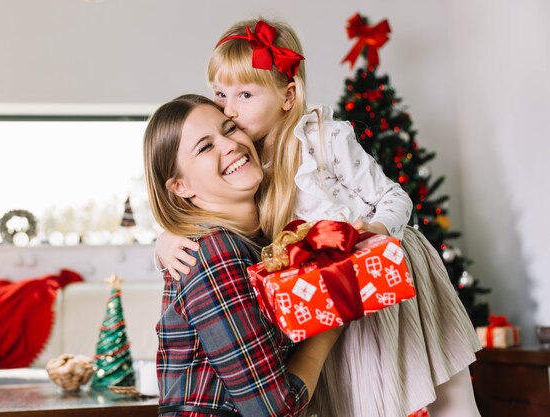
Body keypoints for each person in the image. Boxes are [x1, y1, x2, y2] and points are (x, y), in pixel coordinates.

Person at [155, 19, 482, 417]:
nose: (230, 111)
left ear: (288, 96)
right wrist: (167, 240)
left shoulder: (322, 139)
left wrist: (376, 231)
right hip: (330, 299)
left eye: (244, 95)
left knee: (439, 392)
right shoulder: (249, 166)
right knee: (361, 400)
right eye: (221, 95)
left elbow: (393, 196)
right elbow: (203, 216)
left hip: (378, 270)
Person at [144, 94, 342, 417]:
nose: (230, 144)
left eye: (230, 128)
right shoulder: (211, 253)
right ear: (180, 187)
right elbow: (274, 411)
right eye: (205, 147)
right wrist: (330, 326)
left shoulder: (258, 243)